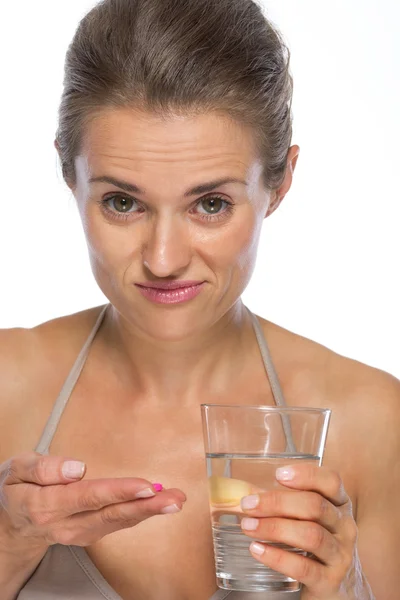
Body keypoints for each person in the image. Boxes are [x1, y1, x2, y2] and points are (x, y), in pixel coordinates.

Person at [0, 0, 398, 598]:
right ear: (68, 174)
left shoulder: (372, 421)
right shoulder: (6, 389)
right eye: (121, 202)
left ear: (279, 183)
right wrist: (8, 545)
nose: (164, 259)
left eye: (210, 204)